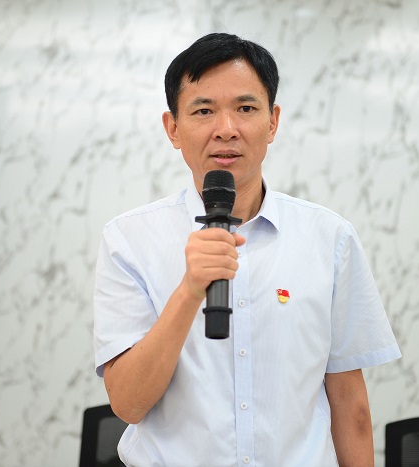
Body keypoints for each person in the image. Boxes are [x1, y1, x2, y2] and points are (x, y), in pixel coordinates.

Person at [93, 32, 401, 466]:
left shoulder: (329, 238)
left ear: (272, 122)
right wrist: (190, 290)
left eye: (245, 108)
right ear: (173, 128)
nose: (226, 129)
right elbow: (128, 403)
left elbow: (351, 406)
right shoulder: (129, 239)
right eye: (204, 110)